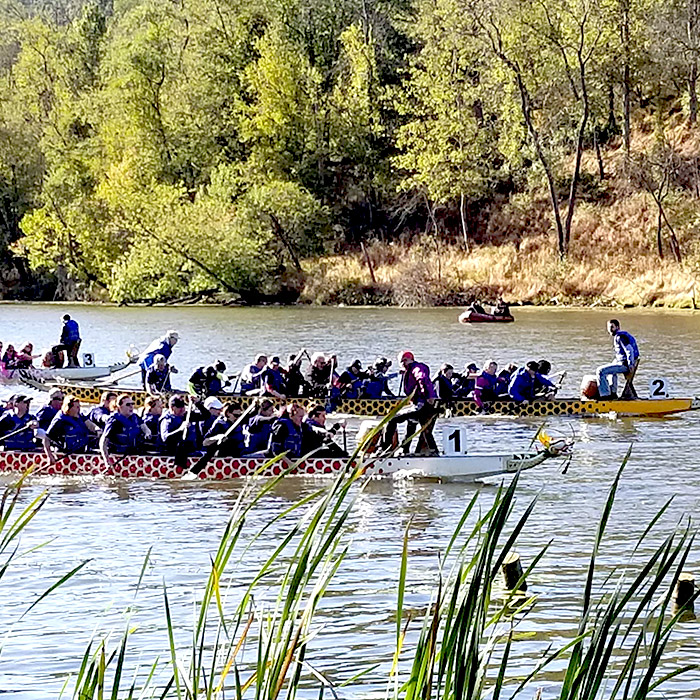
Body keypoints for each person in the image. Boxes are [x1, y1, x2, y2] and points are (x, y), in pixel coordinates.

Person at [381, 351, 439, 455]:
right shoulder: (409, 370)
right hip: (419, 404)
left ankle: (385, 449)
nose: (403, 363)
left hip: (422, 404)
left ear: (411, 359)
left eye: (405, 360)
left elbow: (422, 379)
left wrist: (429, 396)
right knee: (414, 426)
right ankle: (409, 450)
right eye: (401, 361)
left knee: (392, 419)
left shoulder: (416, 368)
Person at [44, 395, 99, 460]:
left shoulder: (79, 416)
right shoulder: (59, 420)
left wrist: (97, 430)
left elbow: (90, 424)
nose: (79, 409)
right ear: (69, 408)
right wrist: (50, 456)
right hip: (64, 455)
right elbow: (46, 439)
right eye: (77, 407)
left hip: (81, 452)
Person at [100, 394, 150, 466]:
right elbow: (103, 442)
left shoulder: (135, 417)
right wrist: (107, 462)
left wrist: (147, 433)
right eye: (128, 404)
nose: (131, 406)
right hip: (118, 456)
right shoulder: (114, 421)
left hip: (134, 455)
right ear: (119, 407)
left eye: (132, 404)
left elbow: (145, 428)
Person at [597, 319, 640, 399]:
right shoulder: (620, 336)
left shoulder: (620, 337)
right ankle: (613, 393)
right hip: (622, 362)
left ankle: (605, 396)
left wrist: (630, 364)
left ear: (618, 327)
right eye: (609, 327)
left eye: (612, 327)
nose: (610, 330)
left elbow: (629, 350)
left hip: (625, 365)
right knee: (612, 365)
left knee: (600, 371)